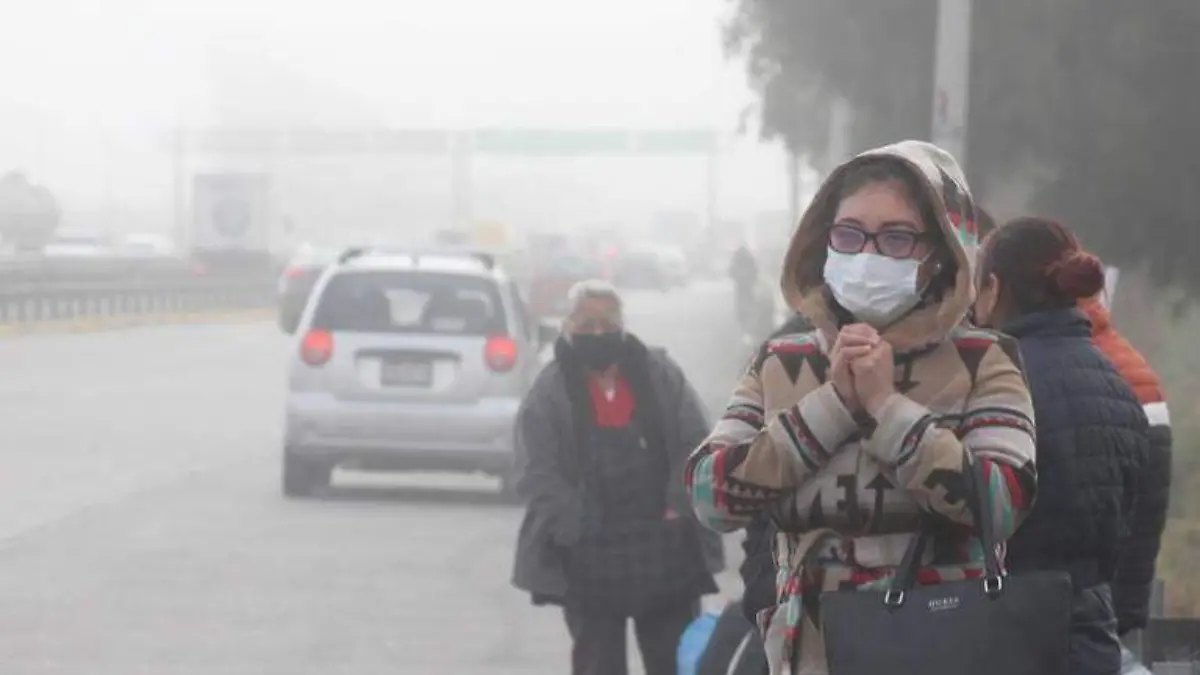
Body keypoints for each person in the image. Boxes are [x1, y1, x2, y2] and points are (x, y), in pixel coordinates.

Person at [686, 140, 1038, 675]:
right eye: (849, 235)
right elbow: (710, 495)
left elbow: (1003, 502)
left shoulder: (983, 361)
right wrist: (832, 408)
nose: (867, 255)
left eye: (896, 238)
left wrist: (886, 407)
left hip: (940, 645)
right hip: (810, 654)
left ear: (939, 254)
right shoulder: (783, 362)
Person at [510, 279, 725, 675]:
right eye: (586, 323)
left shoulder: (660, 373)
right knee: (597, 665)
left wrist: (679, 503)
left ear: (623, 325)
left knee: (672, 662)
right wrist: (573, 524)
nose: (597, 333)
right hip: (587, 554)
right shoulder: (550, 389)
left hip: (663, 546)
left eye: (607, 323)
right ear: (567, 327)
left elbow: (697, 442)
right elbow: (535, 468)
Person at [972, 217, 1151, 675]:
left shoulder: (993, 383)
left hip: (1001, 631)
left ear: (992, 287)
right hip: (1091, 636)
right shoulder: (1119, 385)